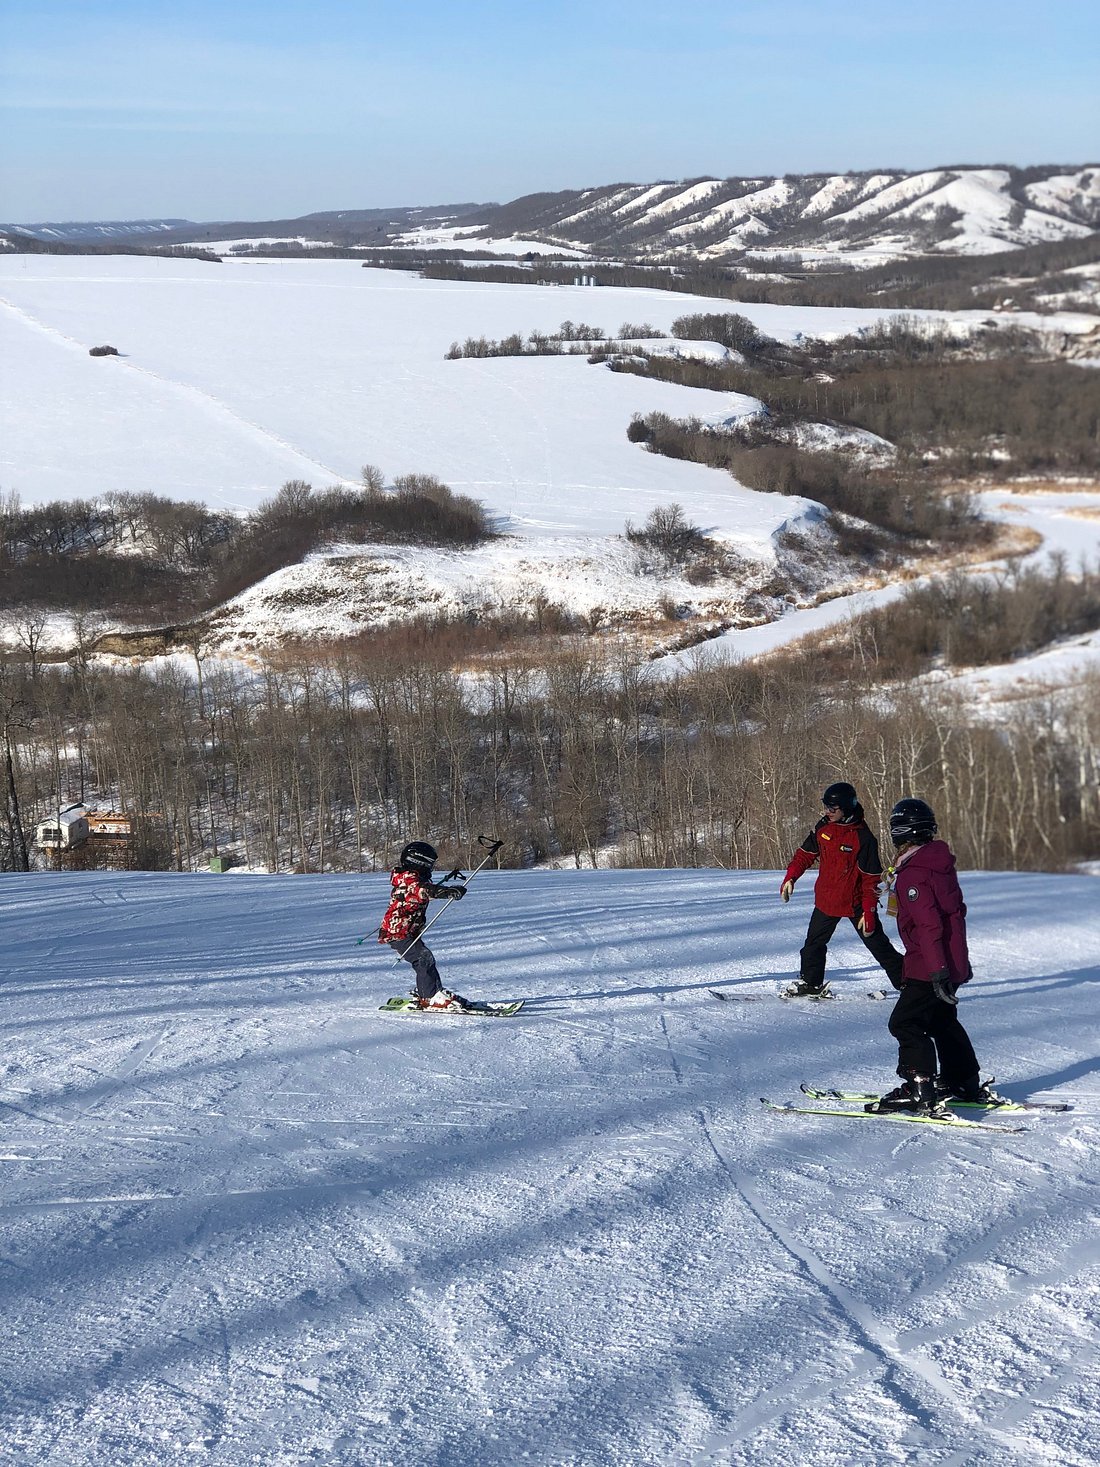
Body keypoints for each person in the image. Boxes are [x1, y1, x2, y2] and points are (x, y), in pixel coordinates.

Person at [874, 798, 986, 1113]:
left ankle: (918, 1085)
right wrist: (955, 964)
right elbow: (954, 915)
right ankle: (961, 1079)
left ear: (899, 831)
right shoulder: (936, 864)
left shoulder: (915, 874)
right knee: (940, 1020)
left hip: (930, 963)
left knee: (905, 1022)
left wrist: (937, 970)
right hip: (948, 960)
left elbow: (928, 924)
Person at [780, 781, 904, 997]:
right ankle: (810, 983)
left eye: (832, 808)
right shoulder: (823, 827)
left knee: (878, 946)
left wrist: (869, 911)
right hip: (826, 901)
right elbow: (805, 854)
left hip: (856, 903)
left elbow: (870, 880)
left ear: (846, 808)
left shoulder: (863, 838)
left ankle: (909, 984)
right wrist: (791, 877)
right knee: (813, 945)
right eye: (826, 807)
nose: (827, 812)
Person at [378, 840, 470, 1010]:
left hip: (405, 930)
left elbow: (423, 889)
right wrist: (447, 892)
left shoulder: (408, 878)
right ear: (419, 863)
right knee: (423, 959)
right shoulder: (409, 882)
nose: (431, 869)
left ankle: (427, 992)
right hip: (399, 932)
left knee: (423, 959)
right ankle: (430, 996)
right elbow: (422, 890)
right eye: (430, 865)